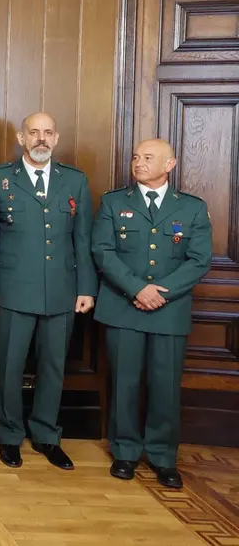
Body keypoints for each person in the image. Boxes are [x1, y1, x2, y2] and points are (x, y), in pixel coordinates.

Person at [92, 139, 211, 488]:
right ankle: (125, 453)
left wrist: (162, 293)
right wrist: (136, 289)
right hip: (122, 307)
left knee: (164, 386)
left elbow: (199, 259)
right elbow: (102, 250)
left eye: (148, 158)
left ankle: (162, 457)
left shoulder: (191, 208)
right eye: (135, 157)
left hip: (168, 311)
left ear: (170, 164)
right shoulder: (114, 202)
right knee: (124, 384)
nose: (138, 163)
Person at [0, 112, 97, 470]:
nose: (41, 139)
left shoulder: (74, 181)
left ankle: (47, 435)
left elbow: (83, 239)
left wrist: (86, 288)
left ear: (57, 138)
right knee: (9, 367)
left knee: (53, 366)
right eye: (34, 132)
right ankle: (9, 435)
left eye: (48, 132)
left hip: (62, 290)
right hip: (14, 289)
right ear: (21, 138)